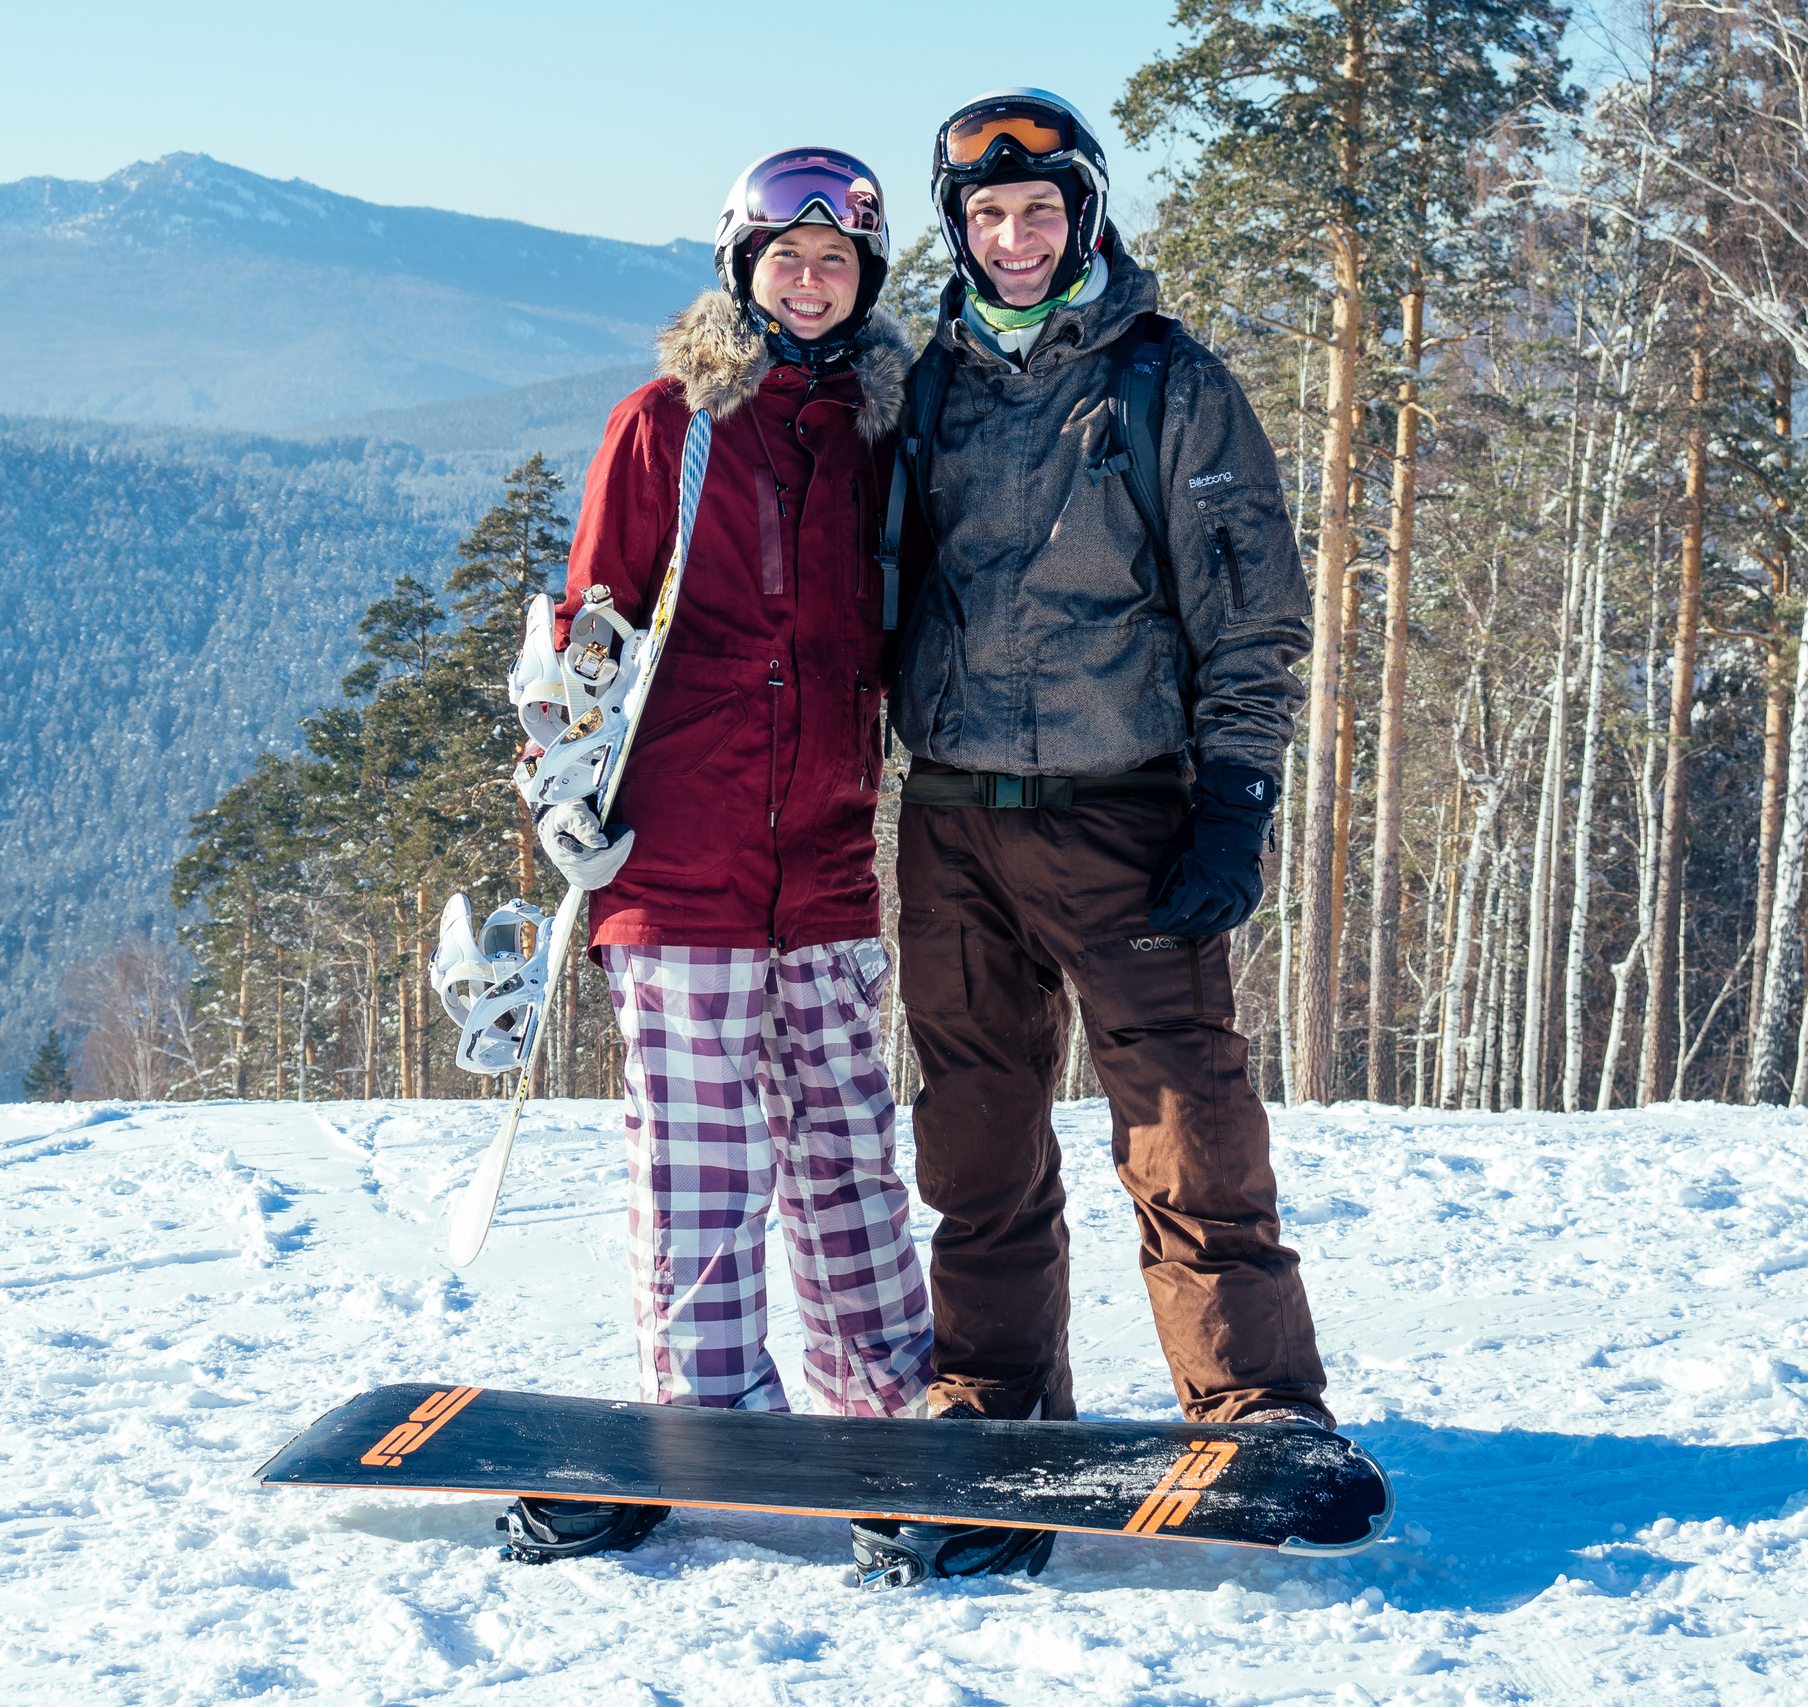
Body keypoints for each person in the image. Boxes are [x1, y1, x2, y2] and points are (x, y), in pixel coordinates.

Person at [861, 89, 1330, 1584]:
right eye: (988, 215)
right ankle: (992, 1396)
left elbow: (1252, 612)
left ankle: (1257, 1405)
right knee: (977, 1131)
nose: (1015, 234)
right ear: (958, 228)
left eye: (1040, 209)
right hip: (949, 816)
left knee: (1187, 1123)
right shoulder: (915, 383)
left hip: (1122, 810)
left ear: (1087, 214)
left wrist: (1236, 796)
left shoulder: (1168, 384)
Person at [495, 148, 932, 1566]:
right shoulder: (670, 422)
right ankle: (711, 1408)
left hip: (825, 851)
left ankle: (884, 1403)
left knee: (852, 1148)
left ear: (865, 285)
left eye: (838, 265)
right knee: (698, 1155)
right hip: (674, 852)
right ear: (741, 269)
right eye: (785, 262)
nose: (810, 284)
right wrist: (554, 789)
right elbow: (586, 621)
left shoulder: (883, 430)